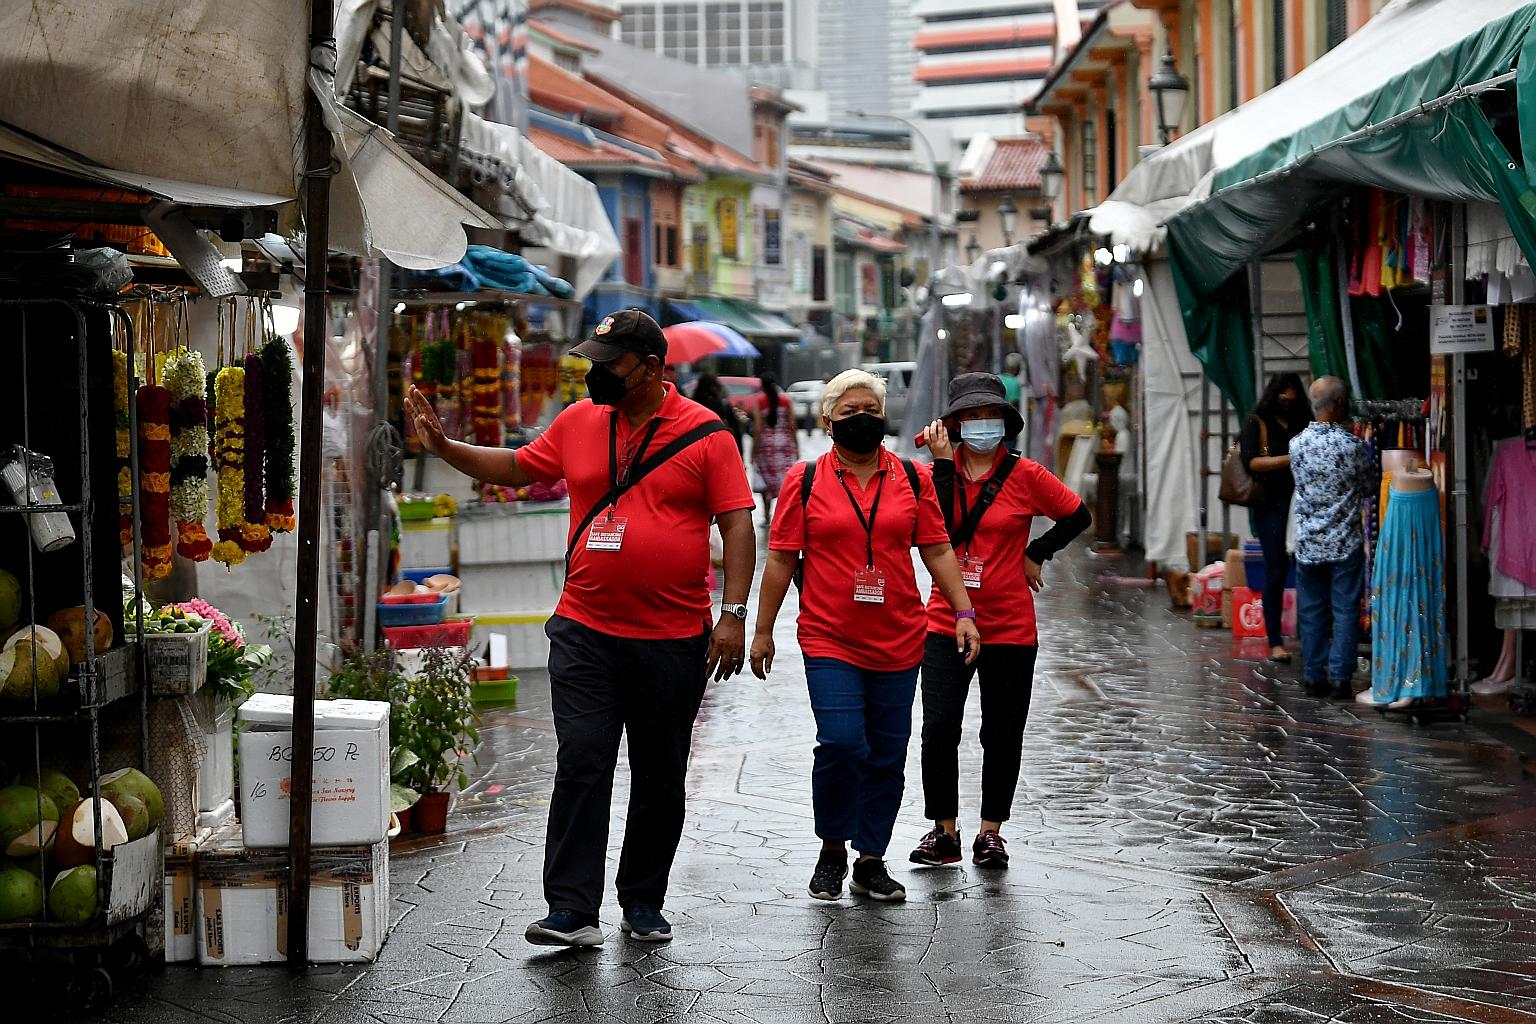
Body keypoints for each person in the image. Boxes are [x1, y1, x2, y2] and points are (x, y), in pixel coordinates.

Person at [405, 309, 756, 947]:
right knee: (582, 764)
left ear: (651, 367)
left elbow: (737, 526)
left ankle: (643, 900)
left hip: (674, 636)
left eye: (609, 362)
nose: (595, 374)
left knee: (659, 773)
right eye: (591, 360)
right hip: (584, 629)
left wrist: (733, 616)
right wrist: (446, 448)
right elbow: (518, 466)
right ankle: (571, 907)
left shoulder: (708, 434)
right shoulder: (578, 421)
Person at [749, 369, 981, 904]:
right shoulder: (803, 481)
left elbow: (938, 550)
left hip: (900, 637)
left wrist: (964, 611)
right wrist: (761, 630)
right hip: (829, 637)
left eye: (870, 410)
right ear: (828, 422)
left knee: (886, 753)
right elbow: (782, 558)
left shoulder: (913, 478)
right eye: (849, 412)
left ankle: (871, 858)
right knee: (841, 742)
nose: (862, 420)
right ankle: (832, 847)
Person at [910, 373, 1090, 870]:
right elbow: (939, 526)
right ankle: (943, 830)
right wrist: (943, 464)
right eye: (969, 416)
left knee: (1003, 730)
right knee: (939, 727)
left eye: (989, 416)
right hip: (944, 619)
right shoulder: (931, 475)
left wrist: (1037, 551)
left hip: (1010, 624)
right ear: (953, 423)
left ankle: (992, 830)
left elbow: (1077, 515)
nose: (980, 424)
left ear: (1004, 423)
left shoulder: (1026, 475)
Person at [1289, 376, 1374, 699]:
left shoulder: (1296, 445)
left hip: (1308, 543)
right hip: (1345, 542)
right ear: (1339, 405)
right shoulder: (1353, 446)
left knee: (1311, 611)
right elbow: (1367, 486)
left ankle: (1313, 675)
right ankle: (1340, 677)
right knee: (1345, 610)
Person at [1240, 373, 1311, 664]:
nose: (1286, 398)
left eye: (1291, 392)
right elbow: (1251, 461)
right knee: (1276, 569)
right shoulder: (1257, 422)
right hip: (1270, 503)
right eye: (1281, 392)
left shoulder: (1303, 421)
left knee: (1307, 567)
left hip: (1304, 501)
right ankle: (1274, 640)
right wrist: (1291, 458)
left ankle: (1307, 635)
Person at [751, 373, 799, 525]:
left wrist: (753, 451)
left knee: (766, 480)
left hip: (766, 446)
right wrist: (796, 446)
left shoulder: (760, 402)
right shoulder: (786, 401)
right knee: (785, 479)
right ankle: (786, 514)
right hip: (784, 444)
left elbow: (758, 429)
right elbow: (792, 425)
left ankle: (767, 515)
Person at [691, 371, 743, 454]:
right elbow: (736, 430)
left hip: (697, 448)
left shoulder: (693, 406)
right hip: (720, 447)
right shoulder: (723, 405)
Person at [999, 352, 1025, 451]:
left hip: (997, 422)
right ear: (1016, 369)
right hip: (1008, 425)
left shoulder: (998, 378)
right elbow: (1012, 404)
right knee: (1008, 451)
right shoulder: (1015, 382)